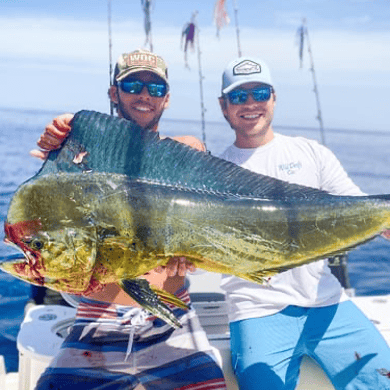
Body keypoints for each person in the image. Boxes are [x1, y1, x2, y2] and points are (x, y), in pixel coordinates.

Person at [32, 49, 227, 390]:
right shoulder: (83, 157)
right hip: (99, 319)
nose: (143, 95)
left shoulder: (187, 149)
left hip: (172, 318)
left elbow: (210, 221)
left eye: (155, 88)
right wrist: (64, 137)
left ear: (166, 99)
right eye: (133, 84)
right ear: (114, 93)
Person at [217, 56, 390, 390]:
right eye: (239, 97)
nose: (251, 104)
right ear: (224, 106)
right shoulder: (215, 171)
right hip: (257, 311)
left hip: (326, 303)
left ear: (274, 97)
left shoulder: (311, 153)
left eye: (260, 93)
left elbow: (360, 209)